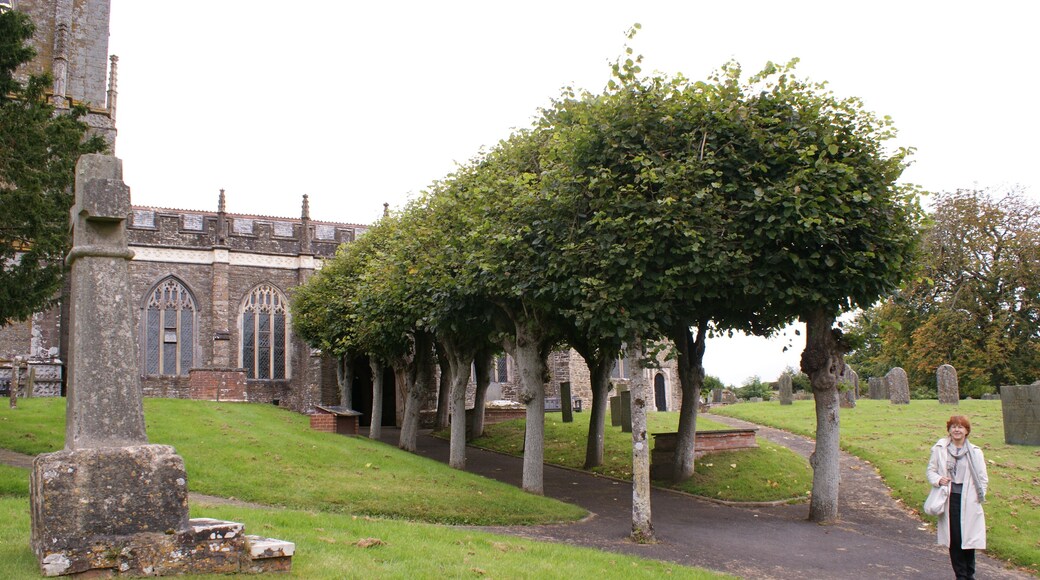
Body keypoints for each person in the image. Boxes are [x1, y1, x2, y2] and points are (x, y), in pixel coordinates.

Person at [927, 415, 988, 580]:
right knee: (955, 538)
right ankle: (960, 575)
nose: (956, 430)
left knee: (969, 538)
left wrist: (978, 496)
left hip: (969, 500)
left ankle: (970, 574)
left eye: (960, 427)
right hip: (949, 498)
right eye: (953, 426)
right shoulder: (940, 448)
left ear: (966, 431)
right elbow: (931, 471)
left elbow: (982, 478)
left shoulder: (975, 452)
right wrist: (939, 480)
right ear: (949, 430)